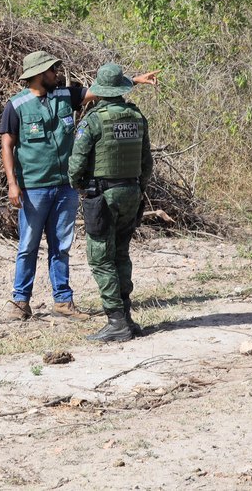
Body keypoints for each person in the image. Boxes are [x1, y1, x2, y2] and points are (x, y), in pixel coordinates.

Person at [0, 51, 157, 322]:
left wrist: (136, 80)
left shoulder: (65, 96)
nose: (56, 74)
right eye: (51, 71)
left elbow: (102, 89)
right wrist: (13, 184)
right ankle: (20, 302)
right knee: (28, 245)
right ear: (38, 75)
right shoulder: (16, 106)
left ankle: (62, 301)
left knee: (61, 246)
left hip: (66, 187)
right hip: (34, 188)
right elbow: (7, 144)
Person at [68, 63, 154, 342]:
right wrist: (139, 188)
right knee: (121, 253)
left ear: (102, 91)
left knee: (101, 256)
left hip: (104, 194)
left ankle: (116, 320)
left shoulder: (94, 120)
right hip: (131, 191)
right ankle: (126, 317)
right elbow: (146, 161)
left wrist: (80, 185)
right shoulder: (137, 117)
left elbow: (77, 163)